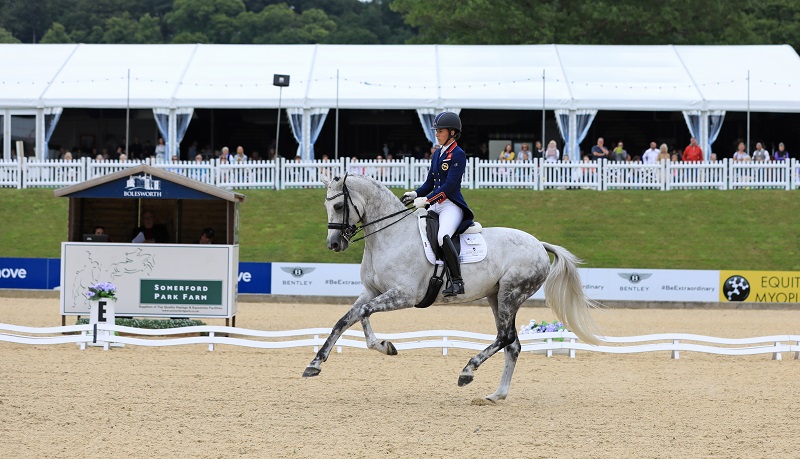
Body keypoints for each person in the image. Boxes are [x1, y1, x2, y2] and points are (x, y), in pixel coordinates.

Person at [401, 111, 474, 297]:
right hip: (435, 205)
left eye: (440, 131)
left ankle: (457, 282)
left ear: (451, 132)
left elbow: (450, 186)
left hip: (451, 205)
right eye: (436, 131)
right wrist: (415, 193)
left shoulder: (458, 154)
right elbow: (430, 183)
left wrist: (427, 200)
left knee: (442, 237)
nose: (436, 134)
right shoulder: (437, 154)